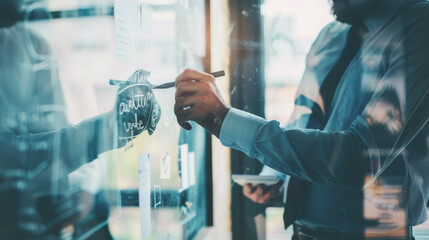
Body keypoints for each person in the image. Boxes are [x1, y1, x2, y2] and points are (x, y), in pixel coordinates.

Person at [174, 0, 429, 239]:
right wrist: (278, 175)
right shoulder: (330, 35)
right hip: (302, 230)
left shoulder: (421, 26)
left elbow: (358, 157)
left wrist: (224, 118)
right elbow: (304, 121)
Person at [0, 0, 160, 238]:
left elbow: (52, 136)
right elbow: (13, 156)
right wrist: (108, 131)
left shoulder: (30, 45)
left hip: (51, 215)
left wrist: (79, 192)